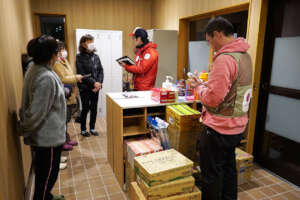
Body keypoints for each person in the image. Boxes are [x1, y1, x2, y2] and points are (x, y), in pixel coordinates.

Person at [191, 17, 253, 200]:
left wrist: (198, 88)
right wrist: (204, 84)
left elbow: (212, 99)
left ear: (217, 34)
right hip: (237, 126)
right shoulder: (244, 55)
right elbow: (231, 89)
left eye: (210, 41)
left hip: (219, 128)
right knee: (228, 170)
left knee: (211, 175)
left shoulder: (224, 58)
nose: (211, 47)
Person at [20, 35, 66, 200]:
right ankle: (43, 196)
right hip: (48, 138)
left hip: (45, 136)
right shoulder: (45, 77)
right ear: (52, 55)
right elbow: (36, 113)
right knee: (47, 176)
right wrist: (24, 127)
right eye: (57, 51)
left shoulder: (35, 68)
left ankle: (47, 196)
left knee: (44, 174)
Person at [53, 41, 81, 151]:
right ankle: (62, 141)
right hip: (64, 94)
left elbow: (69, 74)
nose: (63, 51)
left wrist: (74, 77)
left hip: (71, 93)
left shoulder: (64, 61)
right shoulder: (56, 63)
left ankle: (66, 138)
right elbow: (62, 78)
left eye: (63, 49)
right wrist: (76, 77)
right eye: (60, 50)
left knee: (67, 118)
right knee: (63, 120)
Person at [76, 34, 104, 137]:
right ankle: (83, 129)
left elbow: (101, 71)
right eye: (89, 42)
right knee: (85, 108)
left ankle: (92, 127)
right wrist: (94, 83)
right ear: (83, 44)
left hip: (96, 88)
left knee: (94, 108)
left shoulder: (96, 56)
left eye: (92, 41)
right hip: (85, 88)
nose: (91, 44)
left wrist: (99, 83)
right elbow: (82, 73)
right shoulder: (79, 57)